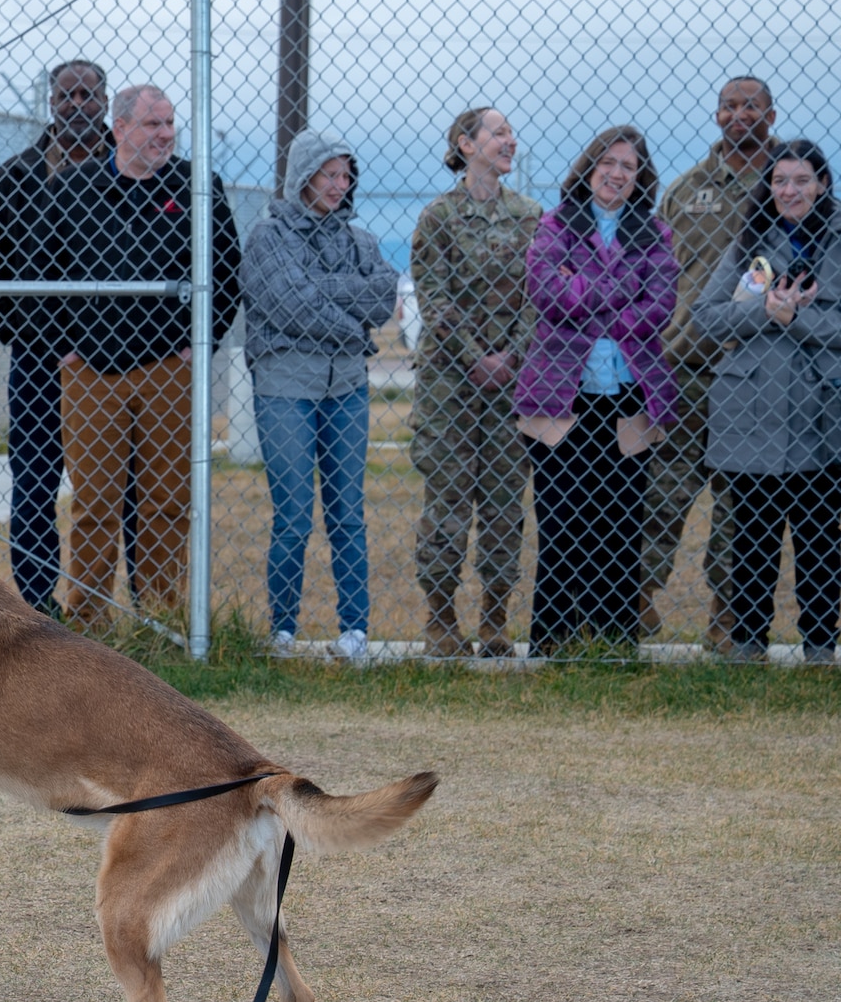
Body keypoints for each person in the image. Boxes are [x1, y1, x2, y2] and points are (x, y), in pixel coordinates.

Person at [41, 83, 240, 626]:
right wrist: (65, 348)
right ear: (120, 129)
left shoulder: (198, 188)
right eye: (153, 124)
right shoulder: (72, 190)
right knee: (94, 505)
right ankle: (87, 622)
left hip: (168, 372)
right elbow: (42, 275)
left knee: (166, 503)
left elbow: (225, 274)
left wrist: (197, 346)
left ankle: (161, 622)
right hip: (92, 375)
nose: (165, 134)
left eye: (170, 123)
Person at [514, 126, 679, 658]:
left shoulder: (655, 233)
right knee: (562, 525)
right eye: (608, 162)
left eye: (629, 167)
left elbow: (660, 303)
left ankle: (611, 648)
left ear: (640, 177)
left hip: (629, 402)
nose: (617, 173)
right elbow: (547, 292)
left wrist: (584, 289)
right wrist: (616, 291)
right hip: (563, 400)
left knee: (620, 526)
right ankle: (553, 646)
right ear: (589, 167)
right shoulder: (555, 225)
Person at [241, 129, 398, 663]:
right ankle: (282, 629)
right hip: (287, 388)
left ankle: (354, 629)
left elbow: (383, 297)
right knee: (293, 515)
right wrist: (351, 328)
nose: (340, 183)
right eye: (329, 174)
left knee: (347, 513)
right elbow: (289, 306)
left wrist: (323, 291)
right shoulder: (269, 236)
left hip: (346, 389)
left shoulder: (359, 240)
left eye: (345, 174)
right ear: (303, 176)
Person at [689, 139, 841, 664]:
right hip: (750, 411)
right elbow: (705, 317)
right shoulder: (749, 241)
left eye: (801, 181)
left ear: (822, 184)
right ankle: (747, 645)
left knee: (820, 539)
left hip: (821, 413)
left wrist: (799, 319)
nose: (789, 191)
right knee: (751, 537)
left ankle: (821, 646)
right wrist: (765, 313)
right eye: (780, 181)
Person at [640, 78, 779, 644]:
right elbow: (654, 270)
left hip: (752, 372)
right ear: (716, 115)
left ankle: (726, 617)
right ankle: (637, 598)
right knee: (662, 492)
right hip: (684, 367)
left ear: (771, 114)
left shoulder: (787, 187)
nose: (739, 115)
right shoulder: (684, 190)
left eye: (752, 106)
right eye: (730, 106)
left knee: (739, 504)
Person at [0, 60, 109, 613]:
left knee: (109, 489)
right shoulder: (17, 175)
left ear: (105, 100)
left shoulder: (124, 171)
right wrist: (19, 333)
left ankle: (102, 606)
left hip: (108, 359)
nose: (78, 104)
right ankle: (35, 605)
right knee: (33, 482)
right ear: (52, 101)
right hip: (37, 358)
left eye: (88, 94)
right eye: (67, 94)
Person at [408, 108, 543, 657]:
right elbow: (432, 293)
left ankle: (493, 621)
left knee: (505, 503)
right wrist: (474, 356)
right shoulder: (438, 217)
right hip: (449, 384)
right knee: (447, 502)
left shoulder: (532, 216)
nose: (510, 140)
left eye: (512, 132)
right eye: (498, 133)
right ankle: (441, 619)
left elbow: (539, 295)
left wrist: (511, 356)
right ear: (466, 144)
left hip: (512, 381)